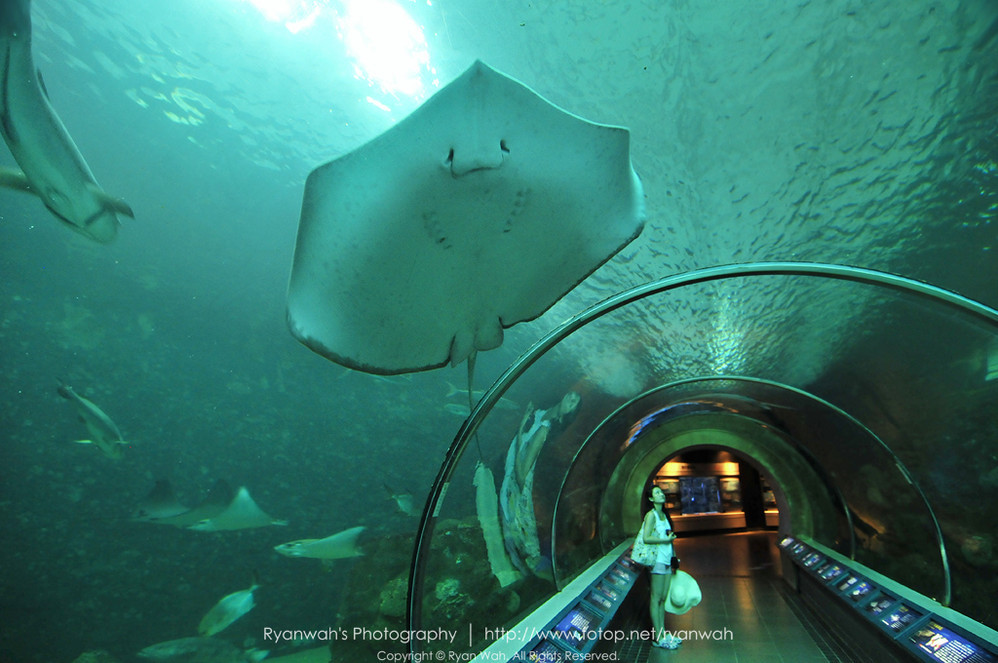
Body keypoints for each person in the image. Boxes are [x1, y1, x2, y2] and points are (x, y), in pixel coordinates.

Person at [642, 485, 682, 649]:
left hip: (666, 559)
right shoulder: (651, 515)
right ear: (651, 499)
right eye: (657, 493)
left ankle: (663, 633)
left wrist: (673, 556)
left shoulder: (664, 515)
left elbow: (668, 538)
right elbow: (646, 538)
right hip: (657, 560)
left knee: (663, 598)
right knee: (656, 597)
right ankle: (657, 637)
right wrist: (664, 541)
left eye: (661, 492)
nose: (661, 495)